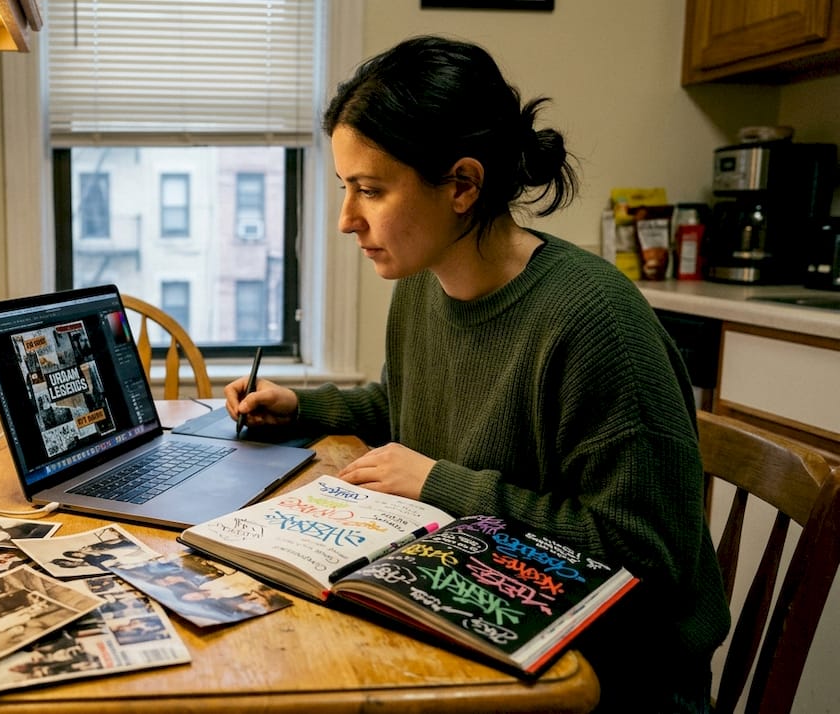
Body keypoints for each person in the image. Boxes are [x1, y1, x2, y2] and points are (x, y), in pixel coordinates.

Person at [224, 36, 729, 713]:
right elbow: (411, 406)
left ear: (462, 185)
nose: (348, 220)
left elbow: (645, 556)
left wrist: (442, 484)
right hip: (486, 618)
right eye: (346, 188)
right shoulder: (424, 285)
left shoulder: (595, 322)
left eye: (370, 190)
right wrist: (302, 409)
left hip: (611, 680)